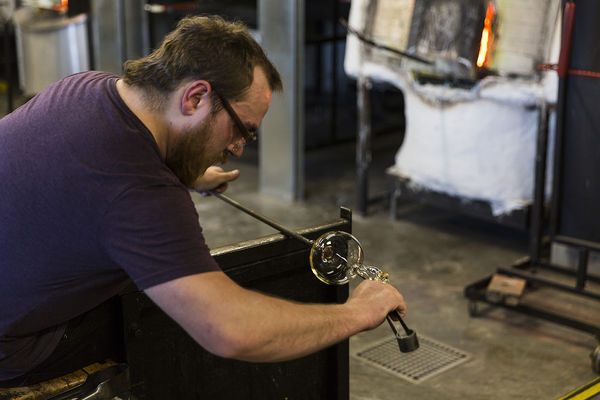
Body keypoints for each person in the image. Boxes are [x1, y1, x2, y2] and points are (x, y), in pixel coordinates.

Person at [0, 15, 406, 387]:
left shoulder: (85, 88)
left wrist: (185, 169)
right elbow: (232, 332)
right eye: (242, 130)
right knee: (174, 319)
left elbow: (92, 179)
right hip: (13, 351)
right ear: (195, 97)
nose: (239, 147)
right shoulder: (143, 194)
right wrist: (357, 313)